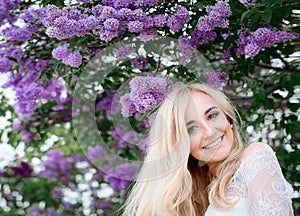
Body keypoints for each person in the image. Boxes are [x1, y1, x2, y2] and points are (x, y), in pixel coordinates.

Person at [121, 83, 294, 216]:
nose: (209, 132)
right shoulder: (197, 199)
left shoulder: (255, 157)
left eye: (212, 116)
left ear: (228, 119)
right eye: (191, 129)